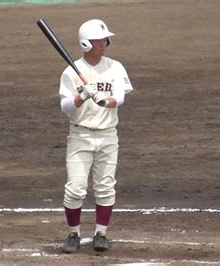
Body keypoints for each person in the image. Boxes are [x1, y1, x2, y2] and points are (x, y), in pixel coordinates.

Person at [58, 19, 133, 253]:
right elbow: (65, 107)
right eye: (99, 40)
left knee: (105, 187)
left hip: (108, 135)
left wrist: (103, 100)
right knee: (75, 188)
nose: (105, 43)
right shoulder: (71, 72)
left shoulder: (115, 67)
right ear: (86, 43)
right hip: (80, 136)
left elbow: (120, 97)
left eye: (105, 39)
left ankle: (101, 233)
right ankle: (74, 234)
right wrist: (82, 96)